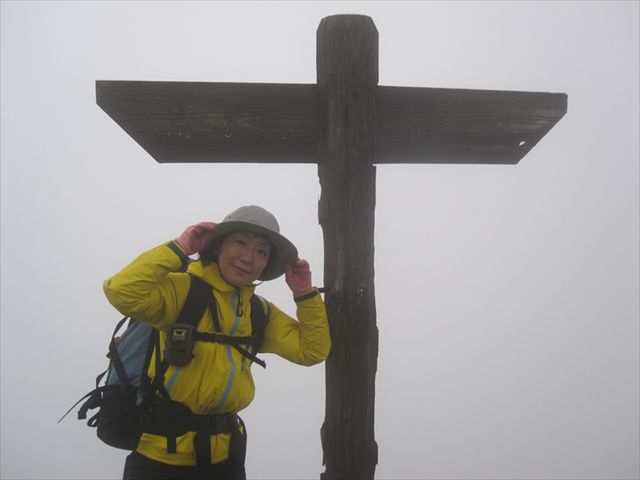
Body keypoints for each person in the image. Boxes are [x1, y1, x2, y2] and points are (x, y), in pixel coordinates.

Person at [103, 205, 331, 480]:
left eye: (261, 251)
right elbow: (121, 292)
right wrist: (179, 248)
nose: (248, 257)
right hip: (159, 459)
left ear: (267, 263)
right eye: (240, 242)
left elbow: (312, 350)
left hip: (227, 459)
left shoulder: (258, 312)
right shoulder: (182, 290)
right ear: (218, 246)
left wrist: (304, 294)